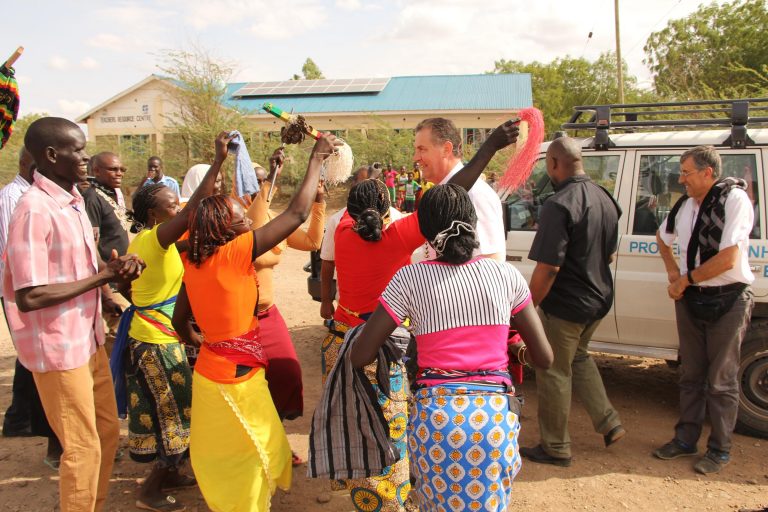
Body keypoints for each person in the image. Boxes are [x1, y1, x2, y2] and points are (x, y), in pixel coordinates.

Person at [316, 120, 519, 512]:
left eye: (420, 148)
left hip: (342, 338)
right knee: (393, 424)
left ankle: (365, 495)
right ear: (389, 209)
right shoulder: (398, 238)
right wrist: (488, 148)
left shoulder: (339, 230)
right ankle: (395, 500)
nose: (416, 156)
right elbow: (451, 198)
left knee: (359, 421)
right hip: (387, 348)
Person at [349, 184, 553, 512]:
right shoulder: (506, 276)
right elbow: (544, 357)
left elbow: (361, 356)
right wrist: (510, 350)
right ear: (473, 222)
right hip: (494, 420)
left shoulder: (409, 279)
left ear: (425, 232)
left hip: (437, 420)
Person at [171, 134, 342, 512]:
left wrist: (209, 344)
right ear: (224, 229)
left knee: (230, 448)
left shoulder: (194, 259)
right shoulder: (233, 254)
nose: (249, 220)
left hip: (211, 371)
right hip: (235, 379)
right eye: (240, 218)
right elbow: (295, 215)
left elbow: (180, 320)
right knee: (246, 452)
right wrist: (315, 158)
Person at [4, 117, 144, 511]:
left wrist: (108, 288)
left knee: (107, 431)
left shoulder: (74, 201)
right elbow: (29, 295)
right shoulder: (33, 210)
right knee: (81, 446)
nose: (85, 158)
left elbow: (84, 268)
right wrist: (101, 276)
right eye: (77, 150)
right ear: (51, 155)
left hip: (88, 338)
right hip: (58, 349)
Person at [114, 133, 231, 511]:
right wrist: (217, 161)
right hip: (154, 341)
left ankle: (173, 472)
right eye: (170, 201)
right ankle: (150, 489)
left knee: (173, 409)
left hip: (155, 335)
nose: (177, 202)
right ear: (154, 210)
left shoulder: (152, 242)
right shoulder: (153, 240)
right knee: (173, 412)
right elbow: (194, 207)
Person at [520, 136, 625, 468]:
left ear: (552, 163)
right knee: (578, 358)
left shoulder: (559, 204)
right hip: (599, 299)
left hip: (567, 306)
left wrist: (527, 310)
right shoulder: (604, 198)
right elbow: (609, 254)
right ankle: (608, 421)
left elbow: (548, 267)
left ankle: (555, 447)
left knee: (552, 369)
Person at [652, 146, 754, 475]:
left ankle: (720, 449)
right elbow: (661, 236)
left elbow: (729, 258)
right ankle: (685, 440)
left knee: (721, 379)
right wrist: (673, 272)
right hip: (692, 297)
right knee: (691, 374)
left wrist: (684, 280)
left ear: (707, 173)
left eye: (686, 173)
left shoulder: (734, 200)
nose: (681, 179)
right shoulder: (684, 206)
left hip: (728, 297)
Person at [245, 153, 325, 458]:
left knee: (285, 372)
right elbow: (253, 241)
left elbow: (311, 242)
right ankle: (257, 445)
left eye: (265, 179)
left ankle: (275, 439)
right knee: (250, 383)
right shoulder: (234, 218)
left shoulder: (272, 218)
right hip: (240, 317)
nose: (265, 185)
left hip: (268, 312)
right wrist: (266, 185)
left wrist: (318, 203)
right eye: (256, 180)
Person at [413, 117, 506, 262]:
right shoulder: (444, 192)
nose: (415, 158)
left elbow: (491, 262)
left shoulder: (475, 194)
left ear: (446, 149)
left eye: (422, 149)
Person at [84, 152, 132, 355]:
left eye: (122, 169)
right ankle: (112, 381)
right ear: (96, 171)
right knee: (119, 330)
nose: (119, 173)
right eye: (113, 169)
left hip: (121, 277)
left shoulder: (111, 194)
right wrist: (105, 289)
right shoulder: (92, 198)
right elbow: (91, 248)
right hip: (109, 280)